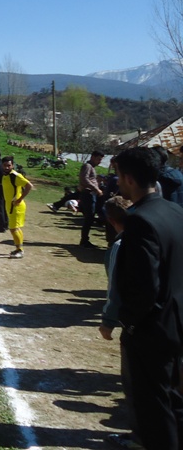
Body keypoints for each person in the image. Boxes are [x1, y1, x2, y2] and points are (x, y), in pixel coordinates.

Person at [113, 147, 183, 449]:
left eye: (118, 176)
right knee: (172, 398)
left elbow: (144, 286)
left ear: (129, 179)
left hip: (153, 328)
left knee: (151, 403)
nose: (117, 182)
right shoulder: (175, 210)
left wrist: (129, 323)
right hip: (177, 320)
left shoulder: (139, 220)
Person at [97, 196, 142, 450]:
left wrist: (108, 320)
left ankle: (141, 437)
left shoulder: (121, 244)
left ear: (110, 220)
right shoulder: (152, 236)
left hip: (137, 322)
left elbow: (115, 288)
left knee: (136, 381)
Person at [2, 156, 33, 259]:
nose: (7, 167)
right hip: (9, 205)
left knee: (13, 228)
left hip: (16, 206)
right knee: (16, 228)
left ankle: (20, 250)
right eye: (5, 165)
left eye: (9, 165)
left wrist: (20, 199)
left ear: (12, 165)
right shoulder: (5, 175)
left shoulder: (15, 176)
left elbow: (29, 186)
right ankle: (18, 248)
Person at [79, 150, 105, 248]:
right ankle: (84, 240)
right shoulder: (87, 166)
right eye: (98, 159)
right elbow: (84, 179)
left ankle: (85, 240)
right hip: (88, 194)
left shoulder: (91, 167)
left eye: (101, 160)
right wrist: (96, 189)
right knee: (89, 217)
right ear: (93, 157)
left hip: (91, 194)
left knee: (90, 217)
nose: (100, 162)